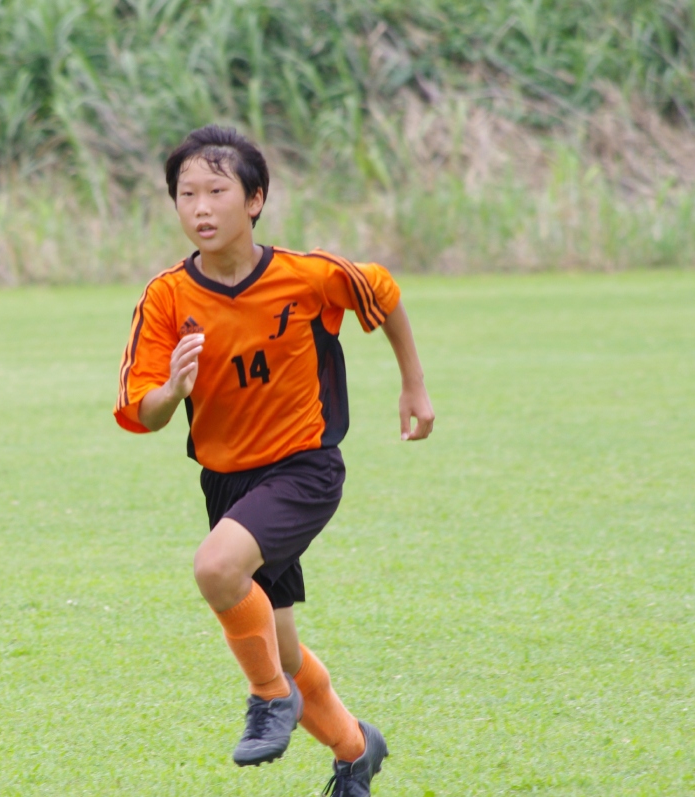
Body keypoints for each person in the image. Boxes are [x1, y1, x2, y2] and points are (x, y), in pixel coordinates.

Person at [113, 125, 435, 796]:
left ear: (255, 200)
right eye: (186, 194)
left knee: (216, 568)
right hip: (227, 483)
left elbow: (383, 294)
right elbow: (143, 410)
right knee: (282, 648)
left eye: (216, 191)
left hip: (304, 468)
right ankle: (355, 751)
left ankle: (268, 698)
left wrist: (414, 385)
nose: (200, 208)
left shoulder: (307, 276)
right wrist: (172, 388)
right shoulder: (166, 298)